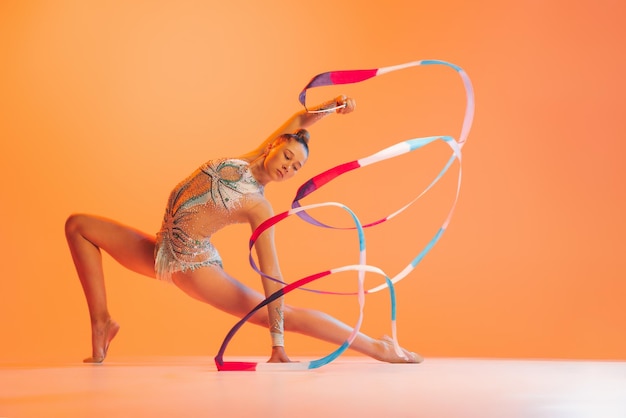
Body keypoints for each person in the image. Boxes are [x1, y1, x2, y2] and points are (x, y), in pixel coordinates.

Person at [65, 95, 422, 364]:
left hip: (194, 267)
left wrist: (277, 344)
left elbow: (272, 273)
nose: (289, 168)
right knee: (78, 226)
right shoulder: (244, 159)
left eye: (296, 167)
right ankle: (102, 323)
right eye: (287, 157)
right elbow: (300, 118)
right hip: (160, 250)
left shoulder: (259, 205)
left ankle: (377, 347)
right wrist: (333, 106)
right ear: (273, 145)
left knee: (286, 316)